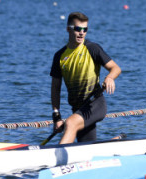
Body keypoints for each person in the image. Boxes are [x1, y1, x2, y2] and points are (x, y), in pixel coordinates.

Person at [50, 12, 121, 144]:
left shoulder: (93, 49)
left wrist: (110, 78)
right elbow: (55, 88)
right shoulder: (59, 56)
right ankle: (116, 142)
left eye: (85, 29)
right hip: (78, 108)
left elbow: (115, 68)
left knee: (71, 123)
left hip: (95, 104)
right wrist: (56, 116)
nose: (82, 33)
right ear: (68, 29)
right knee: (86, 147)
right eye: (78, 29)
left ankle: (57, 160)